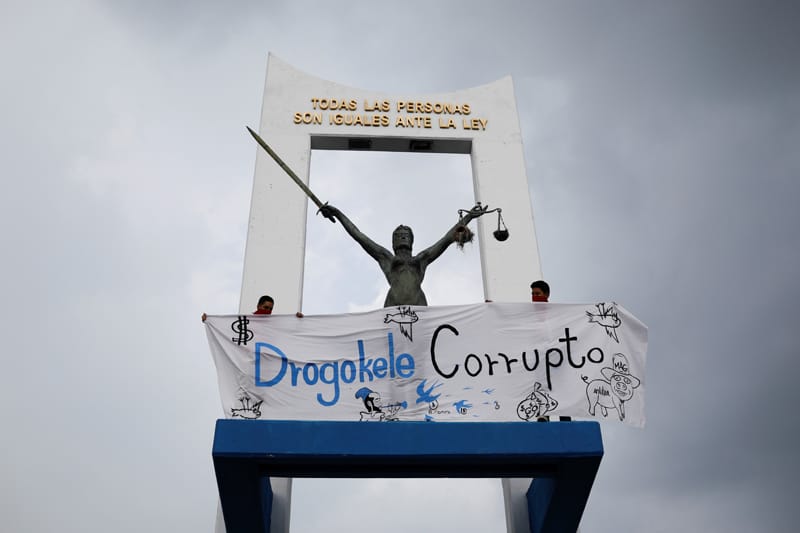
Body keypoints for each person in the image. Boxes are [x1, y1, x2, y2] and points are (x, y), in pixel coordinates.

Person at [318, 203, 488, 307]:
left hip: (418, 307)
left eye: (406, 234)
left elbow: (447, 238)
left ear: (412, 240)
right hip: (393, 307)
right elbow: (359, 236)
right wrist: (338, 214)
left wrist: (468, 218)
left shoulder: (422, 259)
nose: (402, 236)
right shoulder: (386, 258)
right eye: (398, 235)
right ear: (393, 242)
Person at [530, 280, 571, 422]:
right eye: (533, 294)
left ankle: (565, 419)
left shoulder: (556, 312)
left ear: (546, 294)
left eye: (537, 293)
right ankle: (543, 416)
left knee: (560, 386)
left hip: (557, 357)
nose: (534, 296)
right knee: (541, 384)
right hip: (540, 357)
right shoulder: (527, 314)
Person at [201, 294, 303, 321]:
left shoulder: (274, 322)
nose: (267, 311)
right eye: (265, 307)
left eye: (270, 309)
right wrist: (209, 320)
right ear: (258, 306)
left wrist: (298, 320)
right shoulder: (247, 320)